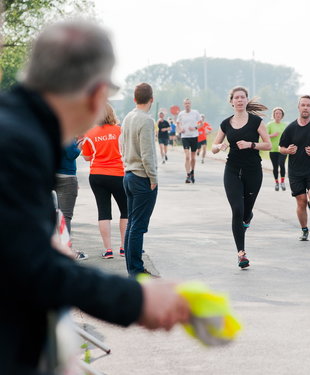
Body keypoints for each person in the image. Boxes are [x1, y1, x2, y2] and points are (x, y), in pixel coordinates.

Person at [0, 21, 189, 375]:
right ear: (95, 93)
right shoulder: (19, 142)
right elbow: (32, 270)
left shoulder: (18, 126)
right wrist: (137, 300)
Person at [211, 86, 271, 268]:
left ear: (246, 100)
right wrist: (218, 147)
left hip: (253, 171)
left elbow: (268, 145)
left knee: (245, 213)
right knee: (237, 210)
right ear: (231, 102)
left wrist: (251, 145)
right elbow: (213, 146)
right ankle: (241, 253)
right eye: (236, 98)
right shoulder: (225, 123)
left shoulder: (256, 122)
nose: (239, 100)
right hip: (232, 170)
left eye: (242, 97)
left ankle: (248, 216)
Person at [121, 83, 159, 277]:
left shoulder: (128, 117)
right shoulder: (146, 120)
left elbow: (121, 143)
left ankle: (132, 267)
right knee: (138, 226)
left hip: (128, 173)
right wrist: (153, 177)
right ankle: (136, 270)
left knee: (132, 224)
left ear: (134, 99)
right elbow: (147, 153)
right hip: (142, 177)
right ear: (151, 99)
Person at [82, 103, 128, 259]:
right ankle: (124, 248)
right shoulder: (120, 131)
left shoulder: (89, 133)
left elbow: (87, 157)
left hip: (97, 175)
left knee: (104, 212)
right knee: (125, 211)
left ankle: (108, 250)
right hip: (119, 175)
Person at [279, 95, 310, 241]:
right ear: (298, 107)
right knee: (301, 201)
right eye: (303, 105)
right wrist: (287, 151)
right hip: (295, 171)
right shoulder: (291, 128)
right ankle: (304, 230)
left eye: (308, 105)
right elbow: (280, 147)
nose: (305, 107)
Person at [177, 98, 201, 183]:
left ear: (190, 104)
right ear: (184, 105)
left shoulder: (195, 113)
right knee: (187, 156)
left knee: (193, 157)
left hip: (194, 136)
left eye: (188, 103)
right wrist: (180, 130)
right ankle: (187, 175)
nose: (187, 105)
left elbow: (201, 123)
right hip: (185, 137)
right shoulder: (181, 114)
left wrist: (195, 128)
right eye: (186, 103)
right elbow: (177, 123)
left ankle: (192, 172)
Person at [267, 107, 288, 191]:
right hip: (273, 150)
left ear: (282, 115)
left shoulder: (285, 125)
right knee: (275, 167)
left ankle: (282, 182)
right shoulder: (269, 125)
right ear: (273, 115)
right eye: (276, 113)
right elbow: (264, 136)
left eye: (280, 113)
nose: (278, 115)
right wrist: (272, 135)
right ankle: (276, 183)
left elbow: (288, 137)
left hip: (283, 149)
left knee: (281, 164)